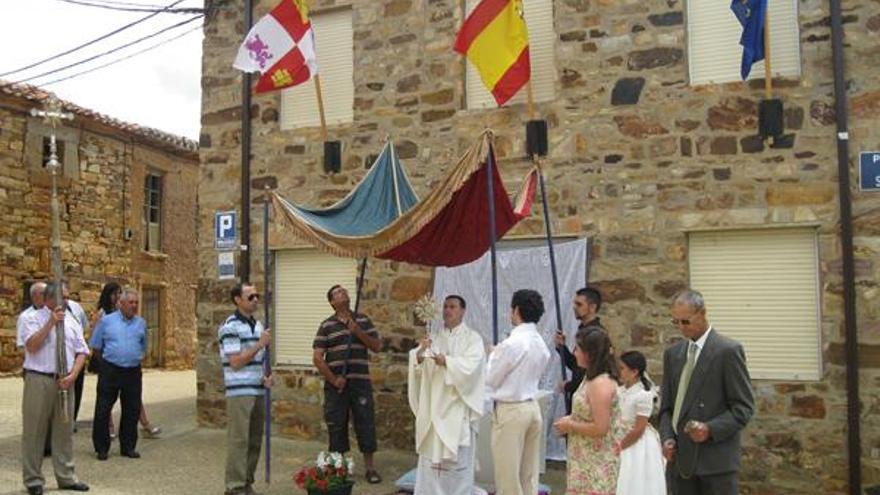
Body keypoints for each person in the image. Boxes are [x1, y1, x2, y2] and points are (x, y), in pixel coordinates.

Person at [658, 290, 755, 495]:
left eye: (686, 322)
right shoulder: (673, 354)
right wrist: (667, 438)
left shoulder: (727, 351)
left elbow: (743, 408)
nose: (681, 328)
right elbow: (666, 408)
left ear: (702, 314)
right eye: (676, 322)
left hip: (715, 465)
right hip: (680, 464)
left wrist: (709, 429)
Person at [407, 295, 485, 495]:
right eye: (445, 306)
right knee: (432, 463)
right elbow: (417, 366)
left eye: (452, 307)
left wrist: (447, 362)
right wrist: (420, 353)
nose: (447, 310)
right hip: (434, 406)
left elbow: (473, 367)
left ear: (462, 311)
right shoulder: (433, 337)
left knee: (456, 463)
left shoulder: (472, 339)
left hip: (457, 407)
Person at [19, 282, 90, 495]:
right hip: (39, 379)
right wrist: (50, 323)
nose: (67, 301)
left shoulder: (72, 321)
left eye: (68, 297)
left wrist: (73, 376)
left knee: (64, 431)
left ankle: (66, 476)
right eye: (64, 297)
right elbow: (31, 346)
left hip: (65, 380)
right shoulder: (29, 318)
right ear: (49, 299)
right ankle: (33, 479)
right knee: (34, 431)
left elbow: (82, 351)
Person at [313, 284, 383, 484]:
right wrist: (334, 379)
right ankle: (338, 469)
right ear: (332, 302)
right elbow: (318, 358)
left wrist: (358, 332)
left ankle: (370, 469)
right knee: (336, 425)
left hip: (360, 383)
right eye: (337, 292)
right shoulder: (326, 325)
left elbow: (377, 346)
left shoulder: (362, 320)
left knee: (366, 423)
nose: (343, 293)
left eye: (344, 291)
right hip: (337, 386)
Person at [485, 289, 551, 495]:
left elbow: (491, 379)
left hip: (511, 410)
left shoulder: (512, 343)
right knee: (528, 475)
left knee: (508, 478)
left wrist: (493, 356)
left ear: (516, 310)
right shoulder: (540, 343)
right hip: (531, 407)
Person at [218, 283, 274, 495]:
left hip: (257, 390)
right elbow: (235, 362)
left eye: (257, 296)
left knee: (254, 440)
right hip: (239, 392)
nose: (256, 300)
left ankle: (246, 482)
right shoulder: (229, 327)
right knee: (239, 440)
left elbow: (258, 362)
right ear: (237, 300)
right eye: (250, 297)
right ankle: (234, 486)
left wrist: (266, 378)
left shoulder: (259, 326)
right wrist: (260, 344)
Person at [552, 328, 621, 495]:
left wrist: (571, 425)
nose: (574, 353)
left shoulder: (600, 383)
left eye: (578, 349)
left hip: (596, 462)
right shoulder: (589, 377)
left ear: (590, 354)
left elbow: (601, 427)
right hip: (583, 459)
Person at [90, 283, 161, 439]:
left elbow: (143, 345)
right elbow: (96, 345)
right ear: (121, 304)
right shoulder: (106, 320)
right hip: (111, 369)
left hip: (132, 371)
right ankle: (102, 446)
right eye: (131, 303)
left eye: (136, 303)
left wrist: (135, 357)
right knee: (103, 408)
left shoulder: (141, 323)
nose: (134, 306)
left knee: (131, 409)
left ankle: (128, 446)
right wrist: (106, 364)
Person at [615, 350, 666, 495]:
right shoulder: (621, 390)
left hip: (634, 441)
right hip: (618, 434)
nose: (619, 372)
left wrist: (621, 446)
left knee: (633, 480)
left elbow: (639, 428)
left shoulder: (643, 395)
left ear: (634, 372)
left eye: (622, 368)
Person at [554, 287, 603, 414]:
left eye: (579, 304)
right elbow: (577, 365)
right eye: (574, 303)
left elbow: (592, 370)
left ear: (592, 307)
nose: (575, 307)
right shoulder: (584, 330)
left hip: (588, 400)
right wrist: (562, 348)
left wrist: (570, 386)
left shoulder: (595, 335)